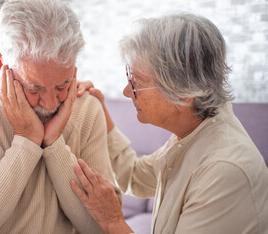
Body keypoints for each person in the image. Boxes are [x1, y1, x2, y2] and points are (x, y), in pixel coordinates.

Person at [0, 0, 120, 233]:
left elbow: (103, 226)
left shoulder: (87, 108)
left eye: (63, 84)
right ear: (0, 65)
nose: (50, 104)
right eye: (34, 88)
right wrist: (27, 140)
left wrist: (54, 145)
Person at [72, 13, 268, 234]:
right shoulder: (193, 130)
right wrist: (100, 110)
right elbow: (134, 176)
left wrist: (112, 220)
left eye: (136, 83)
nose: (126, 92)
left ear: (183, 93)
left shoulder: (224, 170)